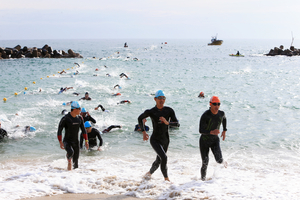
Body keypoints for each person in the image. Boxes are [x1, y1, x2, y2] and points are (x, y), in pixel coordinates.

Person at [138, 90, 180, 182]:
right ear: (155, 99)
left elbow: (177, 124)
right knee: (164, 157)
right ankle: (166, 179)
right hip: (155, 139)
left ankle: (148, 174)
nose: (161, 100)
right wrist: (144, 132)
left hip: (165, 140)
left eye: (163, 98)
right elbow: (140, 118)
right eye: (159, 98)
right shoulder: (151, 111)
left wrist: (167, 122)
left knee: (159, 160)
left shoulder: (169, 110)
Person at [199, 96, 227, 181]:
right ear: (210, 104)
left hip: (214, 140)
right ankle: (202, 181)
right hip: (204, 141)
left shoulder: (221, 113)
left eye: (218, 104)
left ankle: (224, 165)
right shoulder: (205, 115)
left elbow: (224, 118)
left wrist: (224, 130)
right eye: (214, 104)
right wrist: (211, 132)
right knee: (205, 163)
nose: (217, 106)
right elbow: (200, 130)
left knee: (219, 160)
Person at [57, 101, 89, 170]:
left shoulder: (80, 118)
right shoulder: (65, 118)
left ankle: (73, 177)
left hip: (75, 142)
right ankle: (69, 160)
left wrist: (86, 141)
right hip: (67, 141)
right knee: (70, 152)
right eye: (79, 108)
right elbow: (59, 130)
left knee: (76, 164)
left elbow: (83, 130)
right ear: (74, 109)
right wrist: (60, 142)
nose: (80, 110)